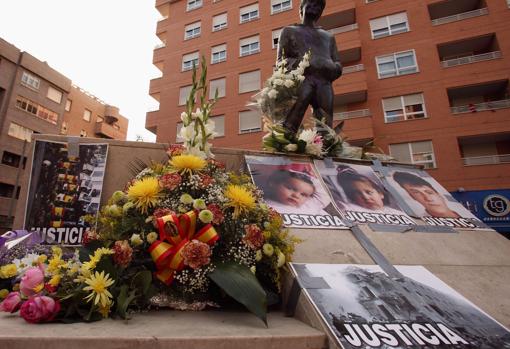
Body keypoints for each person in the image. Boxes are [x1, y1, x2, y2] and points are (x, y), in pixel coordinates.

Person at [277, 0, 342, 134]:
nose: (315, 7)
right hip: (301, 80)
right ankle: (286, 143)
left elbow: (338, 62)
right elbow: (280, 62)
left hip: (324, 82)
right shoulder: (289, 31)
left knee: (325, 123)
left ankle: (324, 147)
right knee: (292, 119)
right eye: (311, 3)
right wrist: (298, 66)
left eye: (319, 6)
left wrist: (334, 68)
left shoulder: (328, 36)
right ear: (301, 8)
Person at [336, 165, 403, 214]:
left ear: (380, 194)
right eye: (358, 194)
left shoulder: (397, 213)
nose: (366, 197)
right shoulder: (352, 209)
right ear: (353, 199)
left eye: (369, 192)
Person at [393, 171, 461, 218]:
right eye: (417, 193)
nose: (428, 198)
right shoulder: (420, 222)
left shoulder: (464, 214)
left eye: (429, 192)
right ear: (413, 197)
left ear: (439, 194)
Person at [264, 169, 329, 215]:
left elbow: (325, 195)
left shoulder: (308, 205)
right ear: (274, 183)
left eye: (303, 195)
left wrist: (309, 176)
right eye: (291, 188)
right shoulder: (266, 206)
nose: (296, 195)